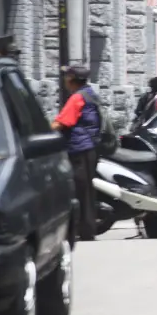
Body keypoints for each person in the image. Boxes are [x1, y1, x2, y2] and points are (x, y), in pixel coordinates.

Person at [52, 64, 103, 242]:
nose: (64, 80)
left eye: (66, 77)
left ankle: (82, 231)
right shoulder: (90, 93)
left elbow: (62, 122)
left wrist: (43, 132)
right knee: (86, 191)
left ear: (71, 80)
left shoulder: (76, 98)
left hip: (78, 150)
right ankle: (88, 230)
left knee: (78, 191)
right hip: (88, 148)